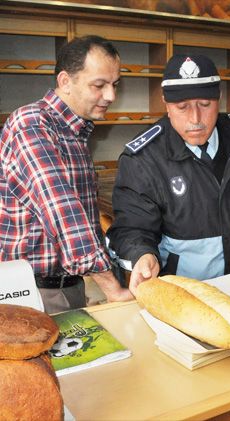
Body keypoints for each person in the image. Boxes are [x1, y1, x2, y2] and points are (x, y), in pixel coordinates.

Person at [107, 54, 230, 294]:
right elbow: (132, 228)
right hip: (187, 293)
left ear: (218, 99)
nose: (195, 119)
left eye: (205, 104)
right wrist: (143, 255)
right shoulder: (144, 159)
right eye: (182, 107)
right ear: (166, 104)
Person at [0, 35, 134, 314]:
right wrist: (112, 288)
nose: (110, 96)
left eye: (114, 84)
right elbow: (63, 211)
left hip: (66, 285)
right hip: (33, 293)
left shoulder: (74, 132)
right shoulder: (32, 124)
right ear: (65, 81)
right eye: (99, 85)